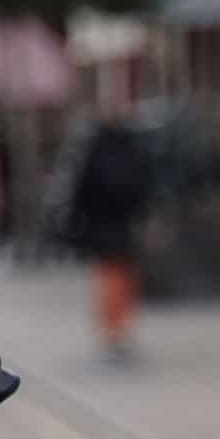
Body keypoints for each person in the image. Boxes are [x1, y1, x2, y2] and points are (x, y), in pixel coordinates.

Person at [69, 112, 152, 359]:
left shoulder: (94, 158)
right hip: (125, 229)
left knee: (108, 279)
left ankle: (111, 330)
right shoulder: (133, 157)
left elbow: (81, 194)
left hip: (100, 229)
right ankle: (121, 328)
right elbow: (142, 193)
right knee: (124, 279)